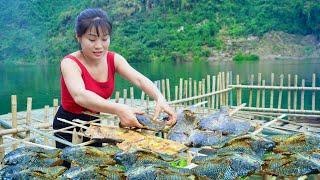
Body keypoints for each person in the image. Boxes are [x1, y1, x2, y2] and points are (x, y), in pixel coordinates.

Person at [52, 8, 177, 149]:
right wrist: (119, 109)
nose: (99, 46)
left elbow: (139, 79)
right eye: (92, 39)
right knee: (69, 166)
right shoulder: (69, 63)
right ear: (79, 37)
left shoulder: (113, 59)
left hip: (94, 122)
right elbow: (80, 95)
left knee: (97, 164)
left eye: (104, 39)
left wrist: (160, 98)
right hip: (68, 123)